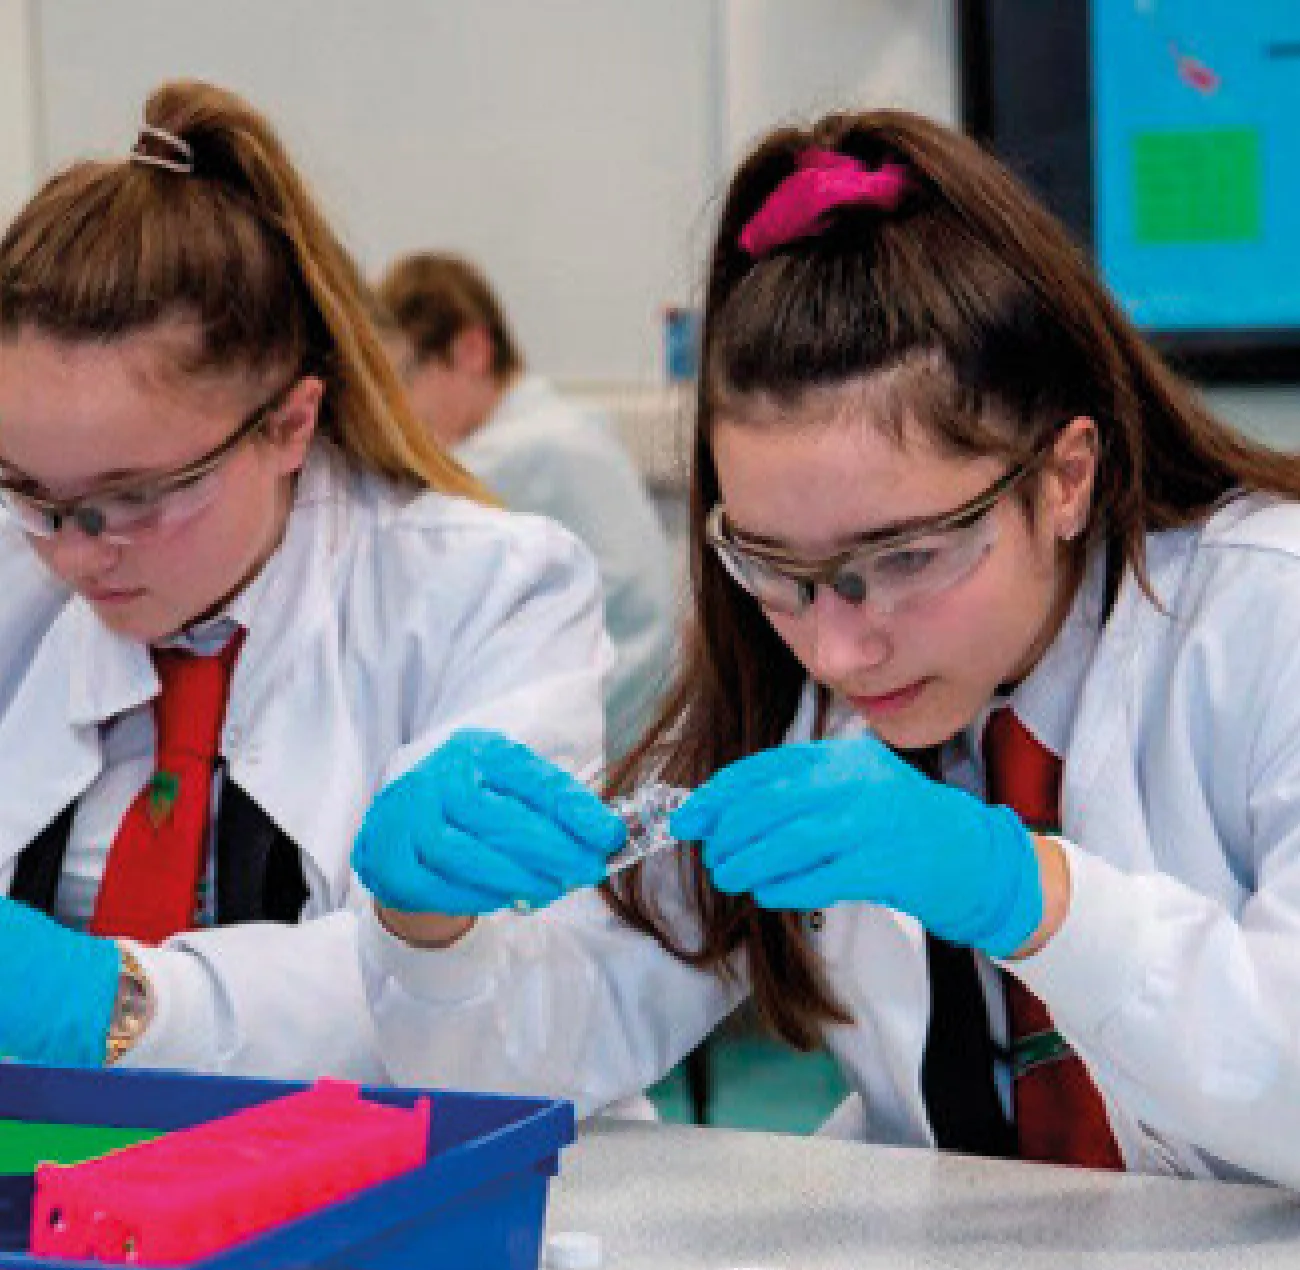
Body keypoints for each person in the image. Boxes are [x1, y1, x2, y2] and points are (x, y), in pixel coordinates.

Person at [351, 107, 1300, 1188]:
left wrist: (1027, 894)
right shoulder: (793, 702)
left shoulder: (1268, 620)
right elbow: (526, 1067)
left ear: (1064, 477)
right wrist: (425, 928)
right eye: (771, 566)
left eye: (903, 557)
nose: (840, 651)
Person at [0, 79, 610, 1081]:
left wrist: (119, 1002)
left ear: (289, 424)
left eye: (137, 496)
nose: (73, 552)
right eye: (31, 491)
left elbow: (492, 1008)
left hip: (395, 1202)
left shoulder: (491, 593)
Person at [377, 253, 678, 760]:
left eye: (403, 379)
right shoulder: (563, 424)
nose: (399, 410)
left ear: (471, 350)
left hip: (615, 721)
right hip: (634, 712)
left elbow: (399, 521)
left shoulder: (523, 451)